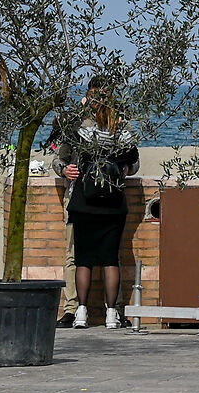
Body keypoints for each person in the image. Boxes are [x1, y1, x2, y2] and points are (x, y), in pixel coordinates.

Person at [58, 74, 140, 329]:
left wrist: (127, 169)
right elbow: (59, 158)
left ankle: (84, 311)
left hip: (86, 200)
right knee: (97, 258)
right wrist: (64, 170)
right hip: (103, 200)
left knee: (85, 258)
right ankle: (92, 311)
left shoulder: (109, 124)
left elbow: (134, 163)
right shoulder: (106, 125)